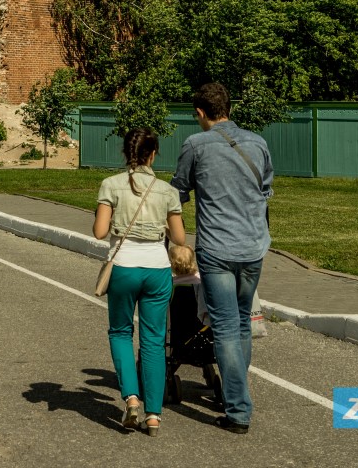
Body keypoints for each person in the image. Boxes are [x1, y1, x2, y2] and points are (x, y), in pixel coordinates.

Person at [172, 81, 274, 435]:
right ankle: (235, 392)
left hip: (217, 250)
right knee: (243, 321)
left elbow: (177, 194)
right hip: (254, 247)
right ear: (228, 108)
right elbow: (266, 190)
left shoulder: (196, 145)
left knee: (227, 328)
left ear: (200, 113)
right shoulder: (257, 142)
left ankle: (238, 410)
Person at [93, 127, 187, 435]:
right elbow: (179, 237)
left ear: (126, 153)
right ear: (153, 153)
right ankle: (154, 415)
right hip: (157, 269)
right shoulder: (167, 191)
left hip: (124, 266)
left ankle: (131, 399)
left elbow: (99, 232)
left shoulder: (111, 185)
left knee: (120, 332)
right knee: (153, 341)